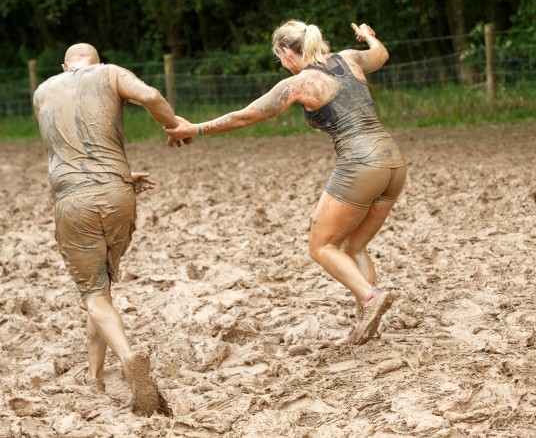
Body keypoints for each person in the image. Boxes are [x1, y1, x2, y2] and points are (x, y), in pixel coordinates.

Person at [165, 21, 406, 346]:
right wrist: (369, 37)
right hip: (394, 163)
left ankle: (369, 296)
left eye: (279, 55)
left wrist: (195, 129)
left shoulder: (299, 83)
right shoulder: (350, 57)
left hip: (361, 164)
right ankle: (367, 325)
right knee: (354, 247)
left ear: (287, 51)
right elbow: (381, 54)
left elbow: (246, 116)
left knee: (321, 246)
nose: (280, 62)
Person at [33, 43, 188, 416]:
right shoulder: (110, 73)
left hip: (73, 199)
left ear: (64, 66)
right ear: (97, 62)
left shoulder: (43, 91)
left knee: (93, 292)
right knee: (102, 288)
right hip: (118, 193)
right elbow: (150, 95)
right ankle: (94, 376)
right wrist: (174, 125)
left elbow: (64, 148)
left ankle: (128, 357)